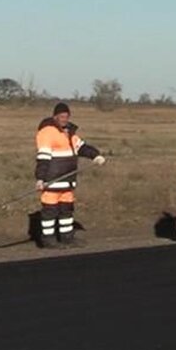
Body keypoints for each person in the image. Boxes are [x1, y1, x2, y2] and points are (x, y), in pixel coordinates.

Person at [34, 102, 105, 248]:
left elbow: (82, 147)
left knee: (66, 210)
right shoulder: (47, 132)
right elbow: (43, 157)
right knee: (50, 211)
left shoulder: (70, 133)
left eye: (66, 116)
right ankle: (48, 240)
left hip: (68, 181)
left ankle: (67, 237)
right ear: (55, 117)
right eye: (61, 116)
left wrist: (95, 155)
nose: (64, 119)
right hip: (52, 181)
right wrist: (40, 178)